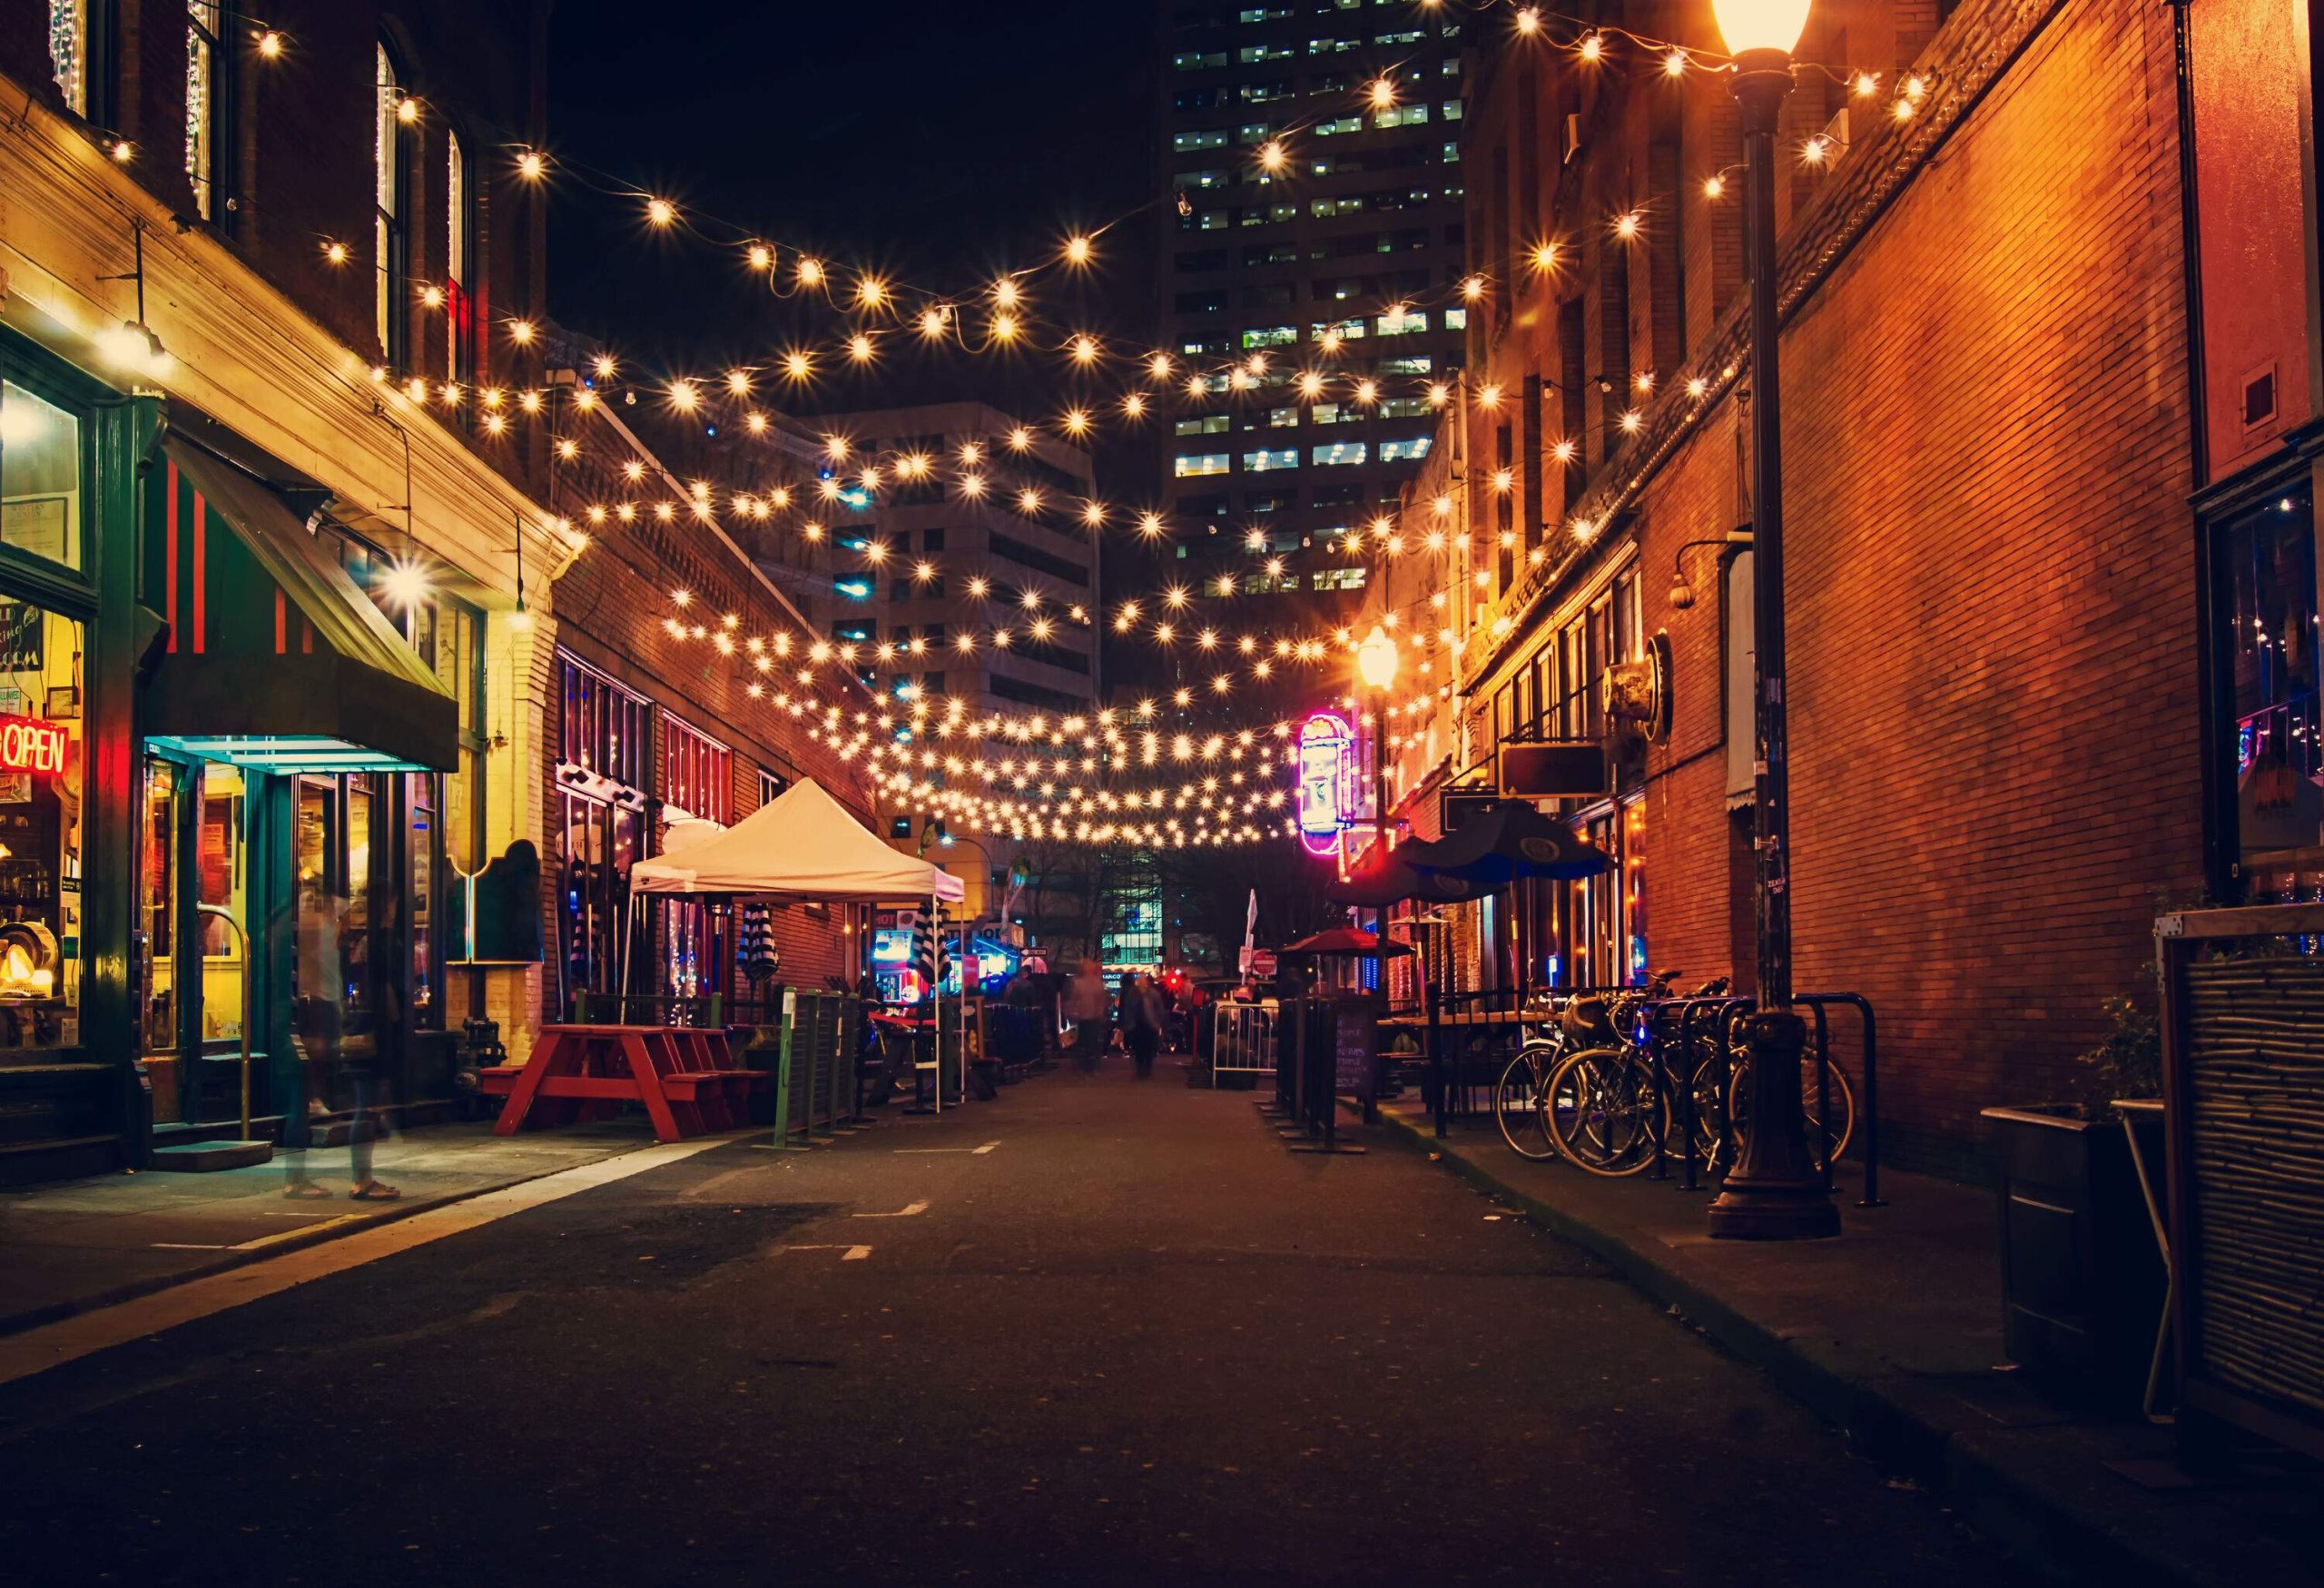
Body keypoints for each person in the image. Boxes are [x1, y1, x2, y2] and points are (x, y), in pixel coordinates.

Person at [1065, 957, 1108, 1071]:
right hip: (1090, 1017)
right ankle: (1090, 1065)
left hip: (1083, 1017)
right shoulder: (1097, 984)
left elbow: (1074, 999)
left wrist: (1072, 1011)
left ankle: (1084, 1065)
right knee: (1091, 1042)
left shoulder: (1078, 983)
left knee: (1083, 1042)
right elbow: (1101, 1000)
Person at [1123, 972, 1167, 1080]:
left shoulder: (1153, 994)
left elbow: (1159, 1009)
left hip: (1149, 1024)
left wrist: (1157, 1022)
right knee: (1139, 1048)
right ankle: (1141, 1069)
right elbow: (1128, 1009)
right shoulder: (1133, 994)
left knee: (1148, 1048)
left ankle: (1146, 1068)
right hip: (1137, 1024)